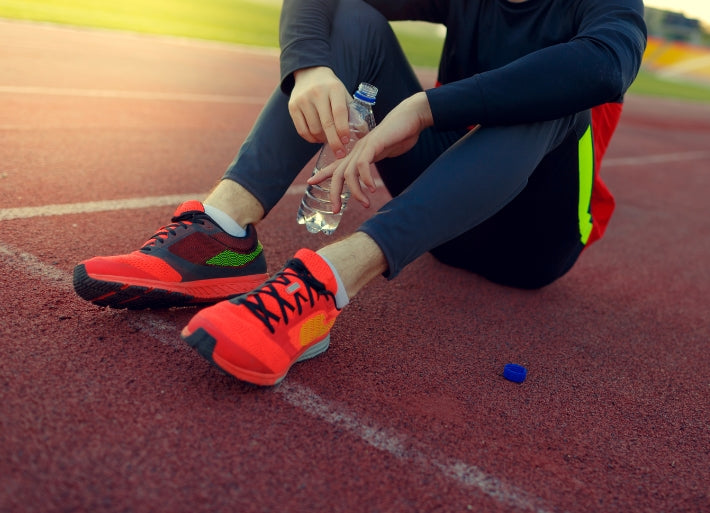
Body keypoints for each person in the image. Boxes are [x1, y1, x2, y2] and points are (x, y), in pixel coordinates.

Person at [73, 0, 647, 386]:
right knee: (352, 19)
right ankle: (223, 233)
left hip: (531, 242)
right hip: (443, 223)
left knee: (557, 93)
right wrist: (309, 68)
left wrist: (425, 109)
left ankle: (328, 284)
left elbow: (602, 68)